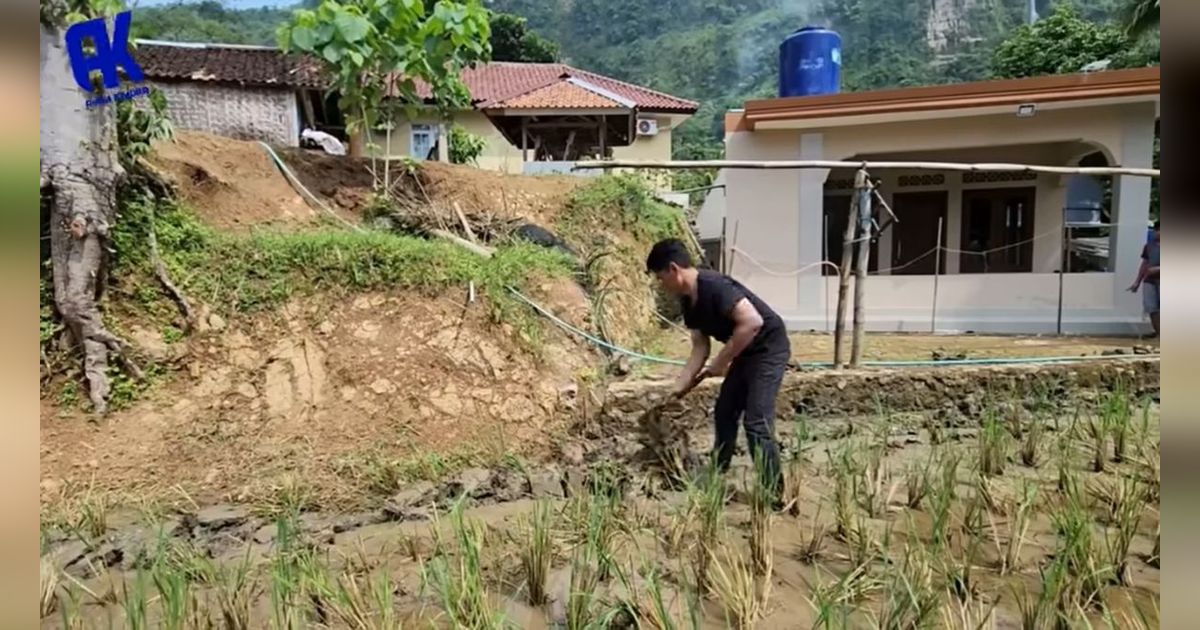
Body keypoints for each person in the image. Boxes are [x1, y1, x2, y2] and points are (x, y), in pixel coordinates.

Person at [646, 238, 790, 503]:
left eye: (660, 277)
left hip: (769, 348)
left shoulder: (714, 286)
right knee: (725, 409)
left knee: (756, 421)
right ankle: (718, 469)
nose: (660, 284)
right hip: (745, 352)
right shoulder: (689, 302)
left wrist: (722, 362)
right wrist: (678, 388)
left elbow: (751, 322)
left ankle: (775, 493)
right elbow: (700, 348)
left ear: (674, 269)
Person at [1127, 220, 1160, 338]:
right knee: (1151, 307)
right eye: (1157, 231)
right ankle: (1158, 333)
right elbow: (1144, 264)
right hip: (1149, 280)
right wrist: (1137, 282)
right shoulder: (1149, 246)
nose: (1158, 233)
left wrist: (1158, 269)